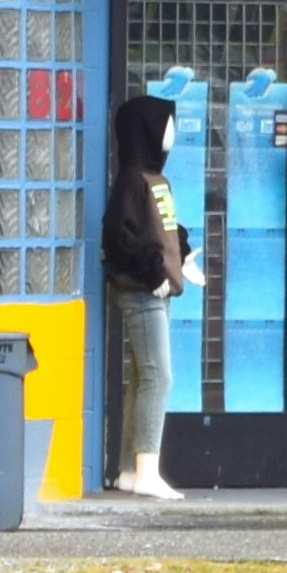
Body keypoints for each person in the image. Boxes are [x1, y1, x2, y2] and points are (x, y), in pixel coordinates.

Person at [99, 91, 191, 498]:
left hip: (156, 289)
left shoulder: (154, 180)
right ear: (146, 130)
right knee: (158, 376)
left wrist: (182, 255)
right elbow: (119, 238)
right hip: (141, 292)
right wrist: (152, 271)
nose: (170, 132)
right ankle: (147, 471)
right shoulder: (133, 181)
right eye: (164, 124)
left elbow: (164, 229)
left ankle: (128, 471)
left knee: (142, 377)